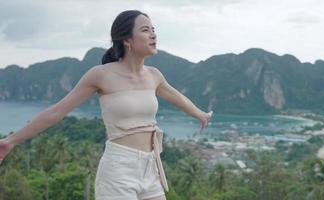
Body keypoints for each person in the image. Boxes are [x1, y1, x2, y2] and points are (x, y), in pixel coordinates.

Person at [0, 10, 213, 200]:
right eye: (146, 30)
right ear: (127, 40)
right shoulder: (101, 75)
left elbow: (179, 98)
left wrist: (200, 114)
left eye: (154, 30)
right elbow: (57, 111)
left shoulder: (154, 76)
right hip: (119, 169)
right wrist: (11, 141)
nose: (153, 35)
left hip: (151, 167)